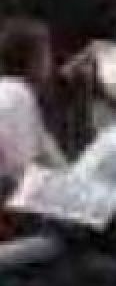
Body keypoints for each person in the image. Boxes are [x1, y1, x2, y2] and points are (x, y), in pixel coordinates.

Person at [0, 18, 65, 199]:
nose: (51, 62)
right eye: (47, 54)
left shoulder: (12, 91)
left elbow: (47, 150)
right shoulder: (17, 94)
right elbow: (22, 168)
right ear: (33, 61)